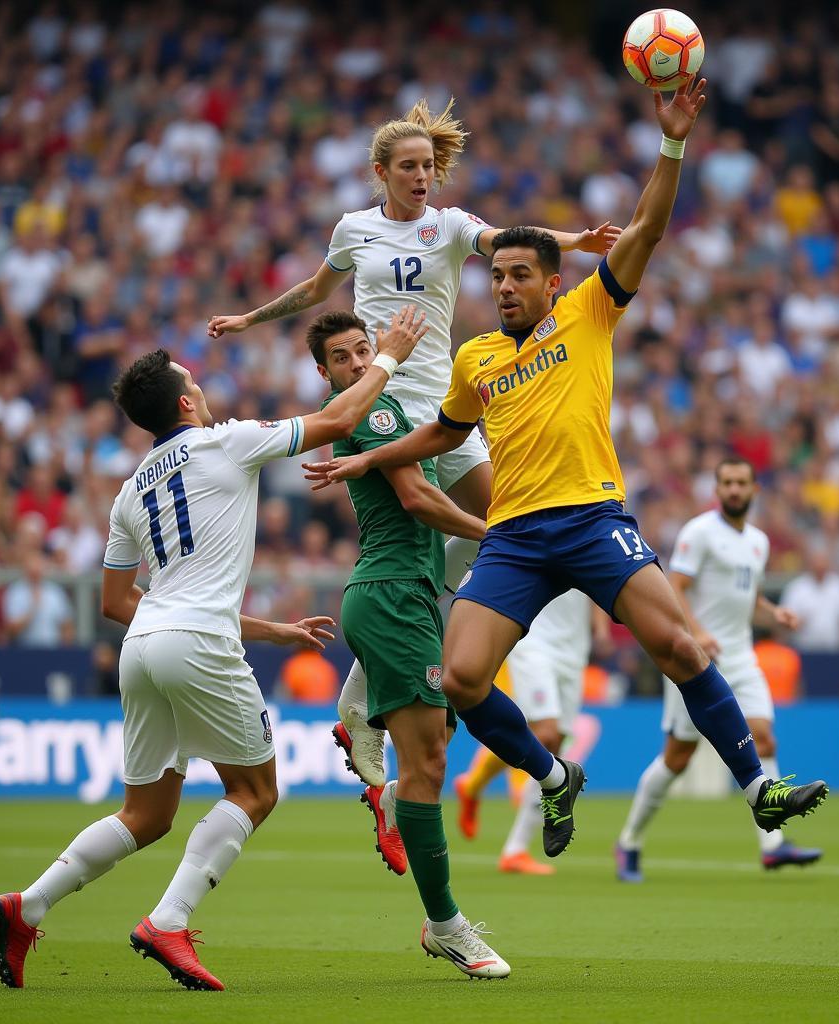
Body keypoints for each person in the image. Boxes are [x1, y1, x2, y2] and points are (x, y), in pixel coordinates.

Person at [307, 79, 829, 866]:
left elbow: (648, 227)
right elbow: (440, 436)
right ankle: (554, 776)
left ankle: (761, 792)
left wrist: (673, 142)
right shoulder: (474, 358)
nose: (506, 286)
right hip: (515, 536)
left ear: (553, 282)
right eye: (498, 276)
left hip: (591, 519)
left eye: (521, 275)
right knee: (461, 679)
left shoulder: (589, 313)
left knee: (683, 650)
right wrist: (369, 457)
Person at [0, 307, 426, 992]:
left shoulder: (130, 491)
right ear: (189, 400)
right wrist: (389, 358)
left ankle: (29, 904)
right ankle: (169, 919)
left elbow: (115, 602)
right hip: (194, 644)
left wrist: (265, 630)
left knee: (146, 814)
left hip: (144, 647)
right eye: (196, 381)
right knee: (255, 790)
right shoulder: (228, 441)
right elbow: (339, 426)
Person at [207, 99, 618, 789]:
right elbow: (316, 287)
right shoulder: (354, 229)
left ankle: (377, 689)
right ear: (381, 172)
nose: (423, 176)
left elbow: (511, 240)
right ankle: (375, 698)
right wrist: (251, 317)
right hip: (387, 397)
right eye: (409, 167)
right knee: (422, 524)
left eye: (429, 165)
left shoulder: (451, 227)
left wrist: (574, 243)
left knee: (503, 524)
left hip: (450, 407)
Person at [307, 310, 508, 978]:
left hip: (408, 595)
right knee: (428, 766)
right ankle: (446, 925)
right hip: (391, 594)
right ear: (325, 373)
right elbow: (419, 499)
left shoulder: (380, 407)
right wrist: (494, 534)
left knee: (433, 755)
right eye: (342, 357)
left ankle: (381, 768)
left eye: (365, 349)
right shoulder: (372, 413)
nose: (360, 362)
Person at [615, 458, 823, 881]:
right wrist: (698, 632)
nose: (733, 489)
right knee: (677, 757)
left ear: (754, 489)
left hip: (743, 657)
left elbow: (745, 593)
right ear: (717, 488)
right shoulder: (699, 533)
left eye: (740, 482)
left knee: (764, 736)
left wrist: (771, 611)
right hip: (695, 658)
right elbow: (675, 589)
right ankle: (630, 841)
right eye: (726, 482)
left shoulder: (758, 542)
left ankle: (773, 845)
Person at [453, 589, 597, 876]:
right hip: (534, 641)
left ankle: (474, 786)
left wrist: (601, 624)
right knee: (546, 735)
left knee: (553, 744)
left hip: (575, 649)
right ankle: (515, 849)